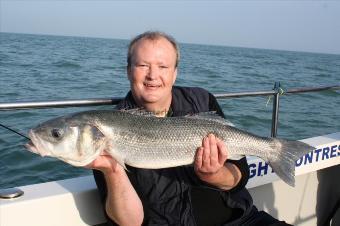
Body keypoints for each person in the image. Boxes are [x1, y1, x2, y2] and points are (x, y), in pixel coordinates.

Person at [89, 31, 291, 226]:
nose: (153, 75)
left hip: (239, 219)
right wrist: (113, 170)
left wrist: (214, 174)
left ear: (174, 73)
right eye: (142, 65)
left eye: (163, 66)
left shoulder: (202, 100)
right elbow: (130, 223)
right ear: (128, 70)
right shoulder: (107, 128)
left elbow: (239, 176)